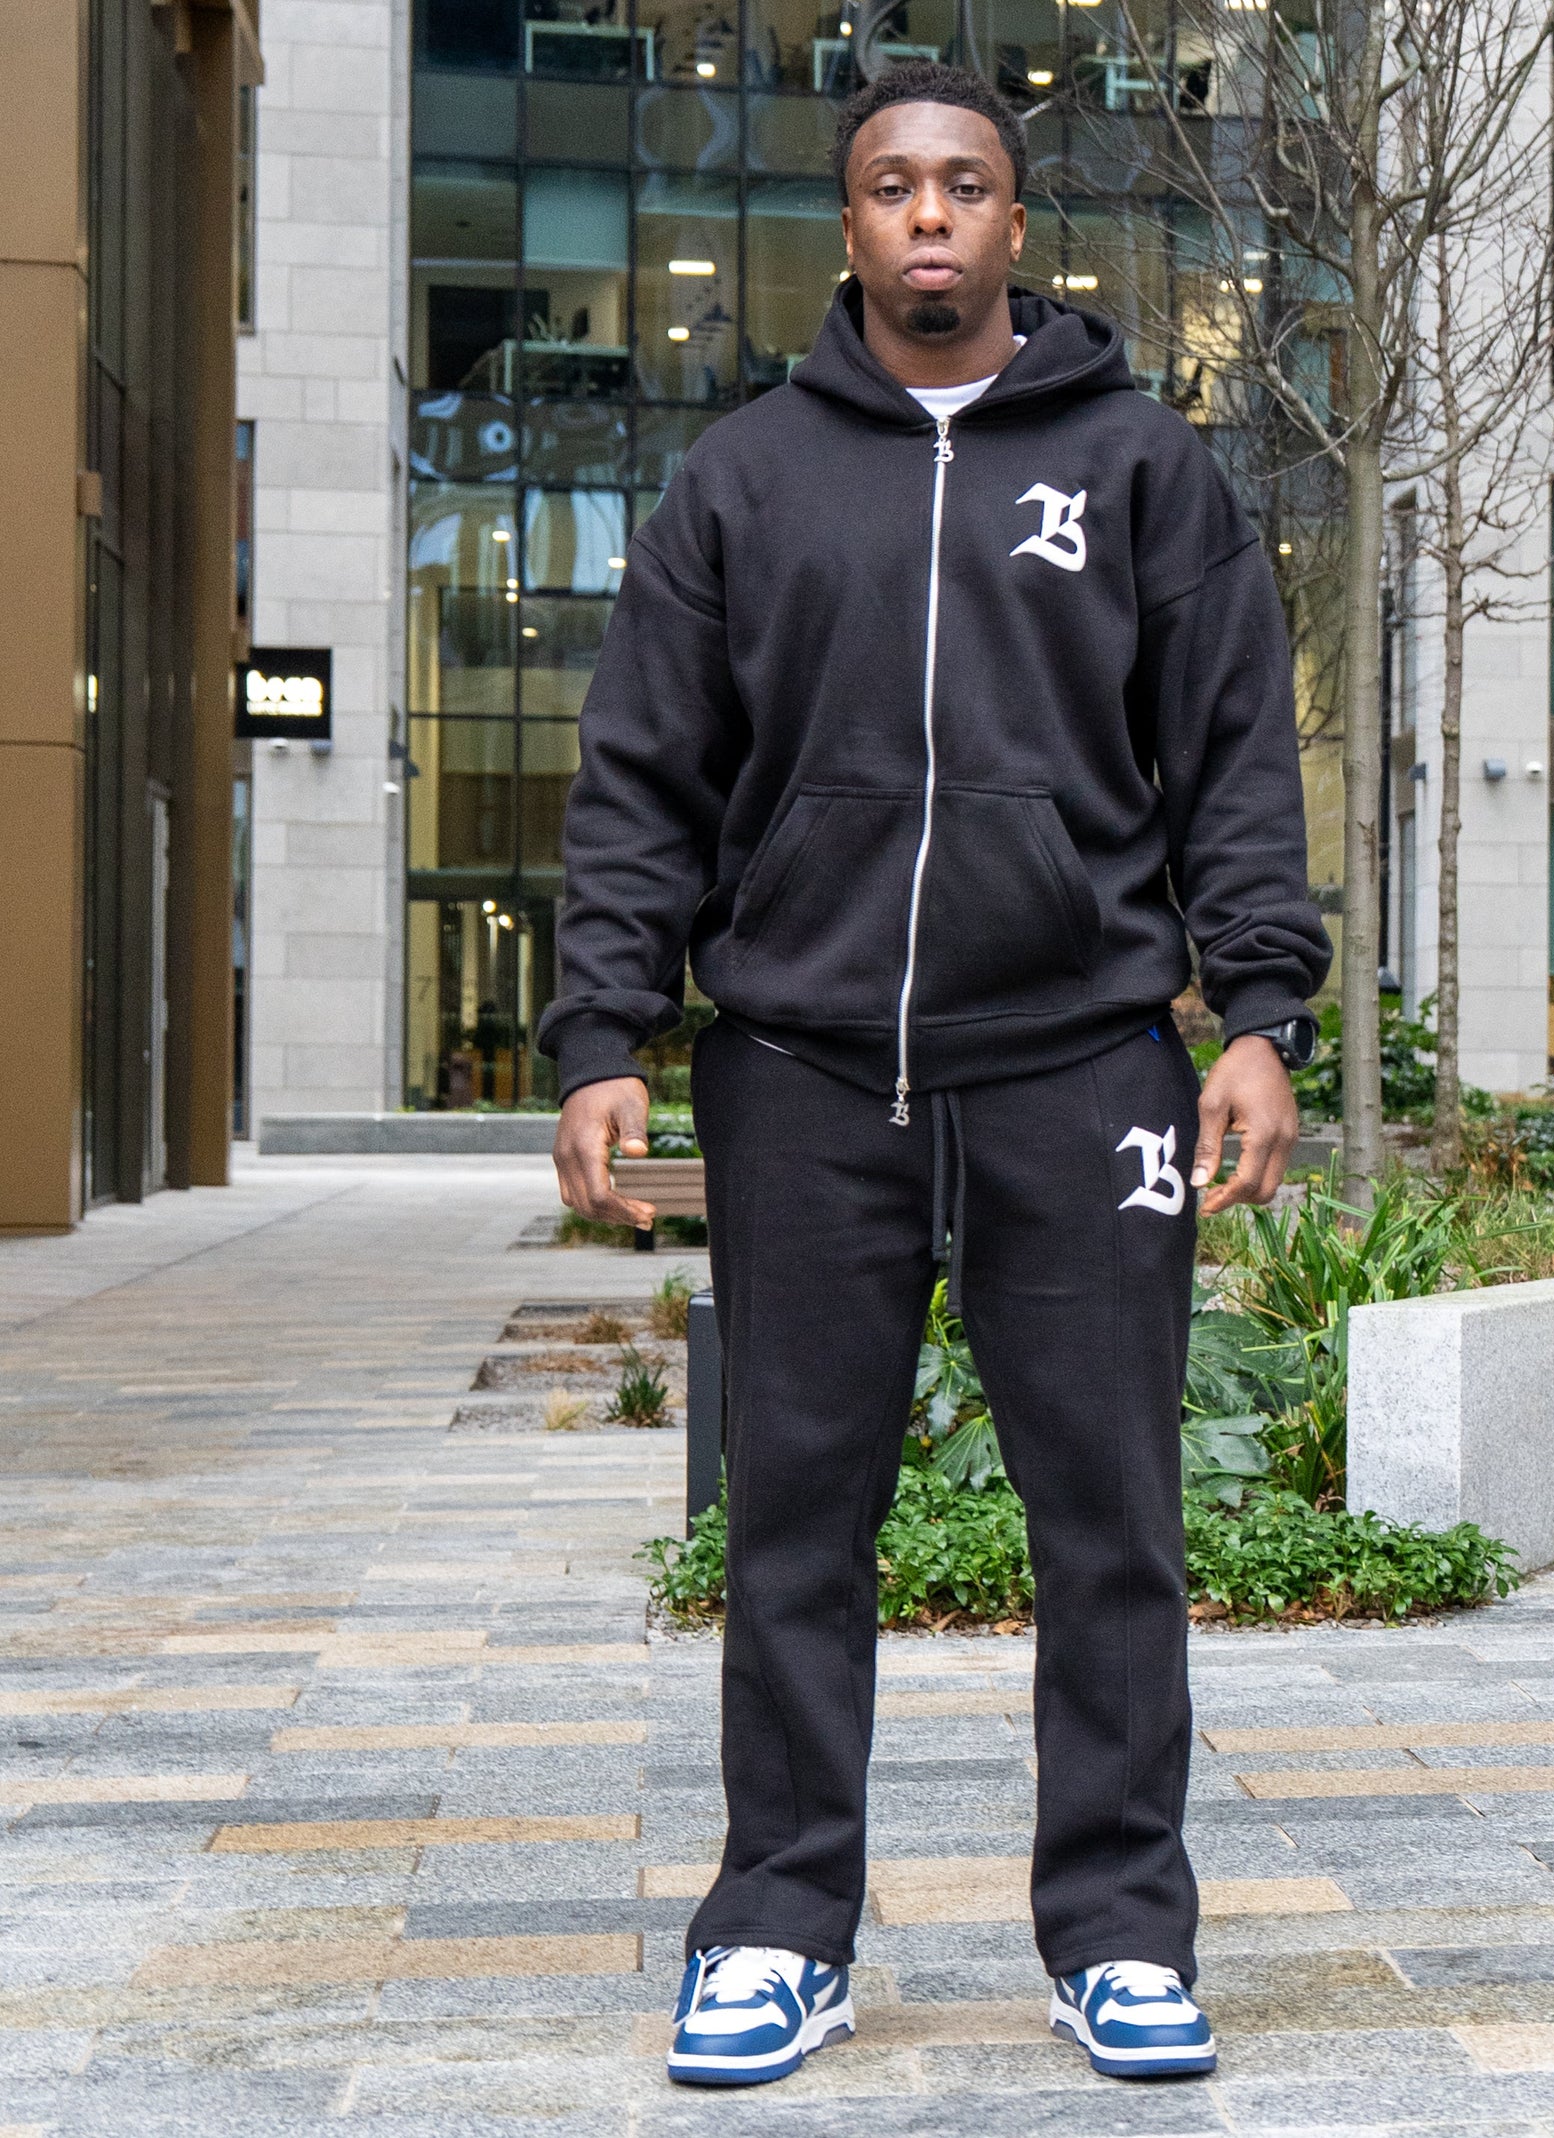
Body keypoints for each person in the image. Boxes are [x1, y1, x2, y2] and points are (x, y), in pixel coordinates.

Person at [541, 59, 1331, 2090]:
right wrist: (604, 1030)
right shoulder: (742, 481)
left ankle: (1120, 1933)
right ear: (849, 224)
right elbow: (643, 773)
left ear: (1009, 224)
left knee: (1112, 1516)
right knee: (796, 1514)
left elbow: (1233, 758)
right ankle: (777, 1926)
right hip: (801, 1067)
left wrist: (1256, 1015)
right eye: (889, 186)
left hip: (1082, 1061)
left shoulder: (1146, 467)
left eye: (961, 186)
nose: (925, 219)